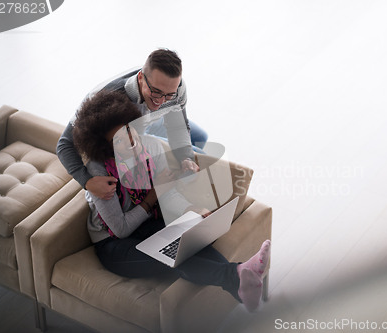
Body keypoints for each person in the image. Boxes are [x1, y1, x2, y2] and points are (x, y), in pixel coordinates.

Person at [72, 89, 270, 312]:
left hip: (149, 223)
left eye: (129, 129)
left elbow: (168, 192)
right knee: (174, 254)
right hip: (113, 244)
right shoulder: (99, 171)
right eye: (118, 140)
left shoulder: (152, 147)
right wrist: (154, 194)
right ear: (107, 148)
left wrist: (190, 208)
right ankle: (240, 275)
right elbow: (121, 228)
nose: (131, 141)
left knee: (192, 239)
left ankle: (240, 284)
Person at [57, 48, 207, 201]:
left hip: (149, 120)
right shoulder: (107, 99)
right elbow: (64, 144)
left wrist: (186, 158)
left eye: (169, 95)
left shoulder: (176, 88)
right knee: (202, 155)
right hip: (132, 130)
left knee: (201, 137)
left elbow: (177, 127)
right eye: (156, 91)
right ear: (140, 77)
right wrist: (87, 181)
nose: (161, 101)